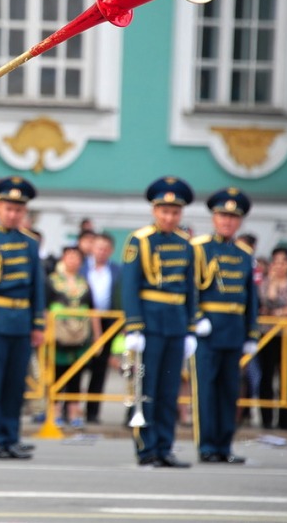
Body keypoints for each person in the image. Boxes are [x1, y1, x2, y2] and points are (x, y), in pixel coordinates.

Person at [121, 176, 197, 468]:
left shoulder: (185, 244)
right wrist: (134, 326)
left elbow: (190, 289)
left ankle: (165, 446)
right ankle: (146, 447)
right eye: (164, 211)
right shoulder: (139, 241)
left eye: (175, 212)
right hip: (150, 325)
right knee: (146, 389)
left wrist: (189, 328)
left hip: (175, 325)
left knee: (168, 391)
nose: (169, 217)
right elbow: (129, 286)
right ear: (155, 211)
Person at [0, 176, 43, 458]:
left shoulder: (30, 243)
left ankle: (11, 436)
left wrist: (37, 324)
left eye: (18, 210)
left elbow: (37, 286)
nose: (13, 214)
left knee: (16, 384)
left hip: (21, 321)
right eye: (8, 209)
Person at [190, 188, 259, 463]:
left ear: (239, 222)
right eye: (222, 216)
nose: (227, 222)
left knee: (230, 391)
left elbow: (250, 297)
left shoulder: (244, 254)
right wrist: (196, 319)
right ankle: (207, 446)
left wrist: (251, 332)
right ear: (214, 218)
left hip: (233, 330)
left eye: (233, 217)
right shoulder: (199, 249)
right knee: (206, 390)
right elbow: (190, 289)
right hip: (208, 329)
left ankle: (224, 445)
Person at [47, 244, 96, 428]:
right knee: (56, 373)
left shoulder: (84, 282)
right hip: (59, 335)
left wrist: (97, 337)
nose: (73, 260)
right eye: (69, 256)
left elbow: (93, 310)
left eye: (77, 257)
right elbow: (45, 307)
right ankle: (55, 412)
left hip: (80, 335)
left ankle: (74, 412)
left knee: (76, 373)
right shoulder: (52, 281)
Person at [257, 247, 287, 430]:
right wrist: (272, 285)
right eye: (276, 262)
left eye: (283, 262)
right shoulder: (265, 283)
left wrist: (276, 310)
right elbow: (265, 303)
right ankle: (266, 419)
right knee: (266, 376)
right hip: (268, 334)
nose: (279, 266)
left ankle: (286, 420)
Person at [82, 232, 120, 424]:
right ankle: (68, 409)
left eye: (105, 249)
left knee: (100, 368)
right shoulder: (81, 268)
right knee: (76, 366)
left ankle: (92, 411)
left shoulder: (116, 270)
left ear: (111, 251)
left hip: (108, 321)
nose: (102, 252)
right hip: (81, 322)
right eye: (98, 247)